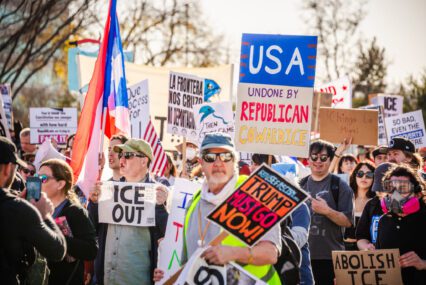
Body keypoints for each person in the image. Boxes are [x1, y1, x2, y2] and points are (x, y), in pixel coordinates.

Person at [153, 133, 282, 284]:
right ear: (201, 162)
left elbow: (270, 254)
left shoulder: (254, 195)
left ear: (235, 161)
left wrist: (233, 253)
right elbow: (189, 263)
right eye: (210, 157)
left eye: (226, 156)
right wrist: (169, 276)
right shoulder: (193, 204)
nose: (218, 162)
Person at [88, 138, 169, 284]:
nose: (122, 160)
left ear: (144, 161)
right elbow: (91, 228)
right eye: (121, 155)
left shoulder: (160, 193)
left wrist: (160, 206)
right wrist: (93, 203)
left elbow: (167, 236)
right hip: (106, 279)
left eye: (128, 155)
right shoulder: (109, 190)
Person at [0, 137, 66, 284]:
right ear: (7, 168)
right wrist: (44, 214)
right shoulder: (19, 210)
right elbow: (57, 250)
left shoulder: (16, 207)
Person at [301, 139, 354, 285]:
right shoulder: (299, 185)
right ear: (308, 159)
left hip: (330, 258)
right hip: (303, 256)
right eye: (314, 157)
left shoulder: (340, 186)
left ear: (330, 160)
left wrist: (327, 211)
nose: (318, 161)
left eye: (323, 158)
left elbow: (348, 222)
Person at [39, 159, 98, 284]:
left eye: (43, 178)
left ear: (60, 184)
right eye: (36, 177)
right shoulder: (36, 208)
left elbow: (91, 250)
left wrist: (58, 239)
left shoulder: (75, 212)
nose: (37, 182)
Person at [376, 165, 426, 284]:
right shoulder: (384, 220)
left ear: (417, 194)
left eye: (403, 188)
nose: (396, 194)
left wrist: (423, 263)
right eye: (391, 189)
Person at [356, 162, 395, 250]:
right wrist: (366, 247)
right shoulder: (371, 205)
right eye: (378, 190)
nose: (382, 195)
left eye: (385, 191)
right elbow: (361, 236)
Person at [344, 161, 375, 250]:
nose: (364, 177)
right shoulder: (345, 197)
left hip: (366, 249)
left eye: (369, 174)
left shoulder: (375, 202)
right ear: (354, 175)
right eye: (360, 173)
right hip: (342, 247)